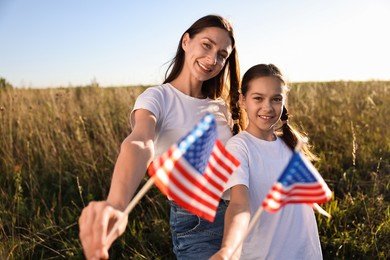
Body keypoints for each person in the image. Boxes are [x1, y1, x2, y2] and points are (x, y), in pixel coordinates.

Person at [78, 14, 243, 260]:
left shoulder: (220, 106)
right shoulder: (157, 98)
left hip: (238, 216)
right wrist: (116, 203)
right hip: (197, 222)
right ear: (186, 41)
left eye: (222, 55)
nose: (212, 59)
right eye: (206, 45)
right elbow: (140, 141)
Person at [211, 64, 323, 260]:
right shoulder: (239, 147)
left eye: (276, 99)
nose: (268, 107)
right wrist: (228, 249)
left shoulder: (290, 142)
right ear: (243, 101)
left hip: (306, 252)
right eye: (258, 98)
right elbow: (238, 205)